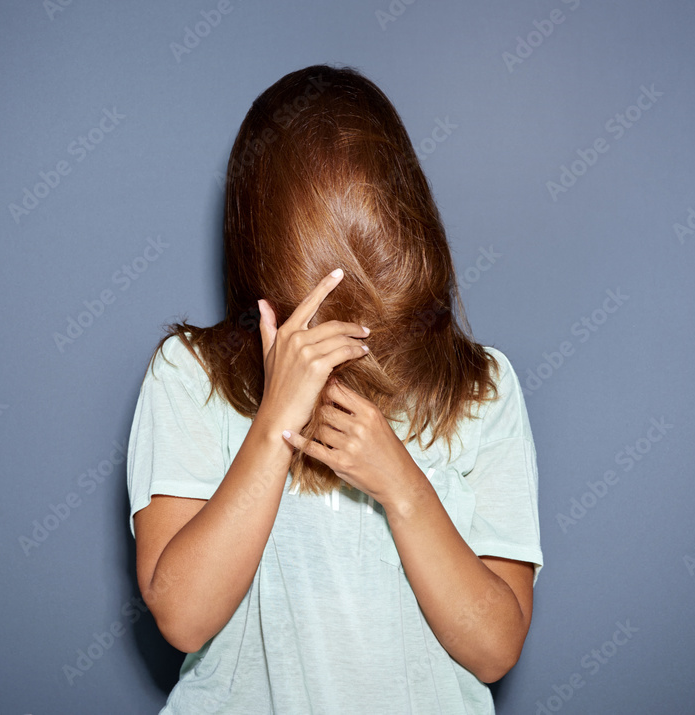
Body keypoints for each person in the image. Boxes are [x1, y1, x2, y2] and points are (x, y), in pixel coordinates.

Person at [126, 64, 543, 714]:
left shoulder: (484, 389)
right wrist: (272, 428)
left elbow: (495, 648)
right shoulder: (188, 375)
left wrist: (402, 486)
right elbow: (182, 615)